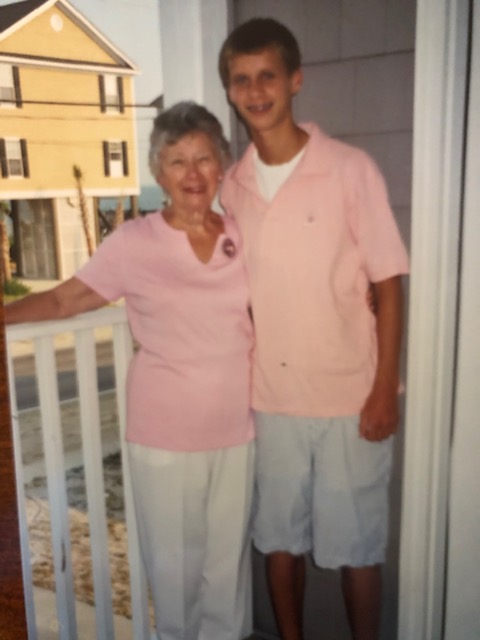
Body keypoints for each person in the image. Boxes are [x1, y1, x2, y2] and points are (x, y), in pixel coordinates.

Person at [6, 102, 255, 640]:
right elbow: (64, 300)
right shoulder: (135, 242)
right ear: (158, 171)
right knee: (175, 575)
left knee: (228, 576)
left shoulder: (244, 234)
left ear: (221, 165)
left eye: (203, 159)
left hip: (239, 432)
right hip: (164, 437)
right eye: (177, 161)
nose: (192, 174)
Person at [218, 18, 410, 640]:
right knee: (279, 542)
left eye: (267, 75)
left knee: (359, 547)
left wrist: (384, 389)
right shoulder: (232, 187)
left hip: (351, 397)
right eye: (241, 80)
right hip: (271, 399)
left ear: (295, 80)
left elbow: (388, 282)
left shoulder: (350, 169)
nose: (255, 91)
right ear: (230, 91)